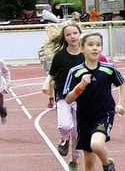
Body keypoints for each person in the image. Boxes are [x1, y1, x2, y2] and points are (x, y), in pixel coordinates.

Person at [63, 32, 125, 171]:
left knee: (96, 145)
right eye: (90, 45)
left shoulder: (109, 69)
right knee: (89, 162)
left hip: (104, 114)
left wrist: (121, 103)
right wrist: (81, 86)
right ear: (82, 48)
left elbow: (122, 83)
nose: (95, 48)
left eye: (98, 45)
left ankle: (107, 164)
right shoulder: (75, 72)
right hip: (85, 118)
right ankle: (108, 160)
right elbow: (68, 99)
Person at [41, 21, 84, 170]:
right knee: (65, 125)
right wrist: (46, 84)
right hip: (63, 96)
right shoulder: (60, 56)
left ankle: (74, 160)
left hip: (82, 99)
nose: (72, 36)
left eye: (75, 33)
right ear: (64, 38)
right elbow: (52, 74)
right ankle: (63, 139)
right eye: (68, 34)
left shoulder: (86, 54)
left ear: (80, 34)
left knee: (78, 132)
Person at [39, 24, 60, 108]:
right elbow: (40, 51)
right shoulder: (45, 43)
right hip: (48, 65)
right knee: (51, 83)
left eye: (53, 31)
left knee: (56, 83)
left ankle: (57, 98)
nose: (51, 33)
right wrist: (41, 57)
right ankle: (51, 97)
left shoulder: (59, 43)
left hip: (58, 66)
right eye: (49, 31)